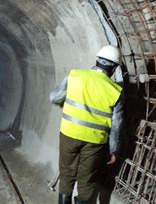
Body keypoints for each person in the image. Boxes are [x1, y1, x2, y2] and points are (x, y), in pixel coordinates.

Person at [50, 45, 124, 204]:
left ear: (97, 60)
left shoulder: (75, 76)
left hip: (69, 134)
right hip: (95, 141)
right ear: (114, 68)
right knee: (87, 179)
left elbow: (55, 98)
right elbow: (116, 126)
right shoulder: (116, 91)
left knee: (67, 174)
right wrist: (113, 150)